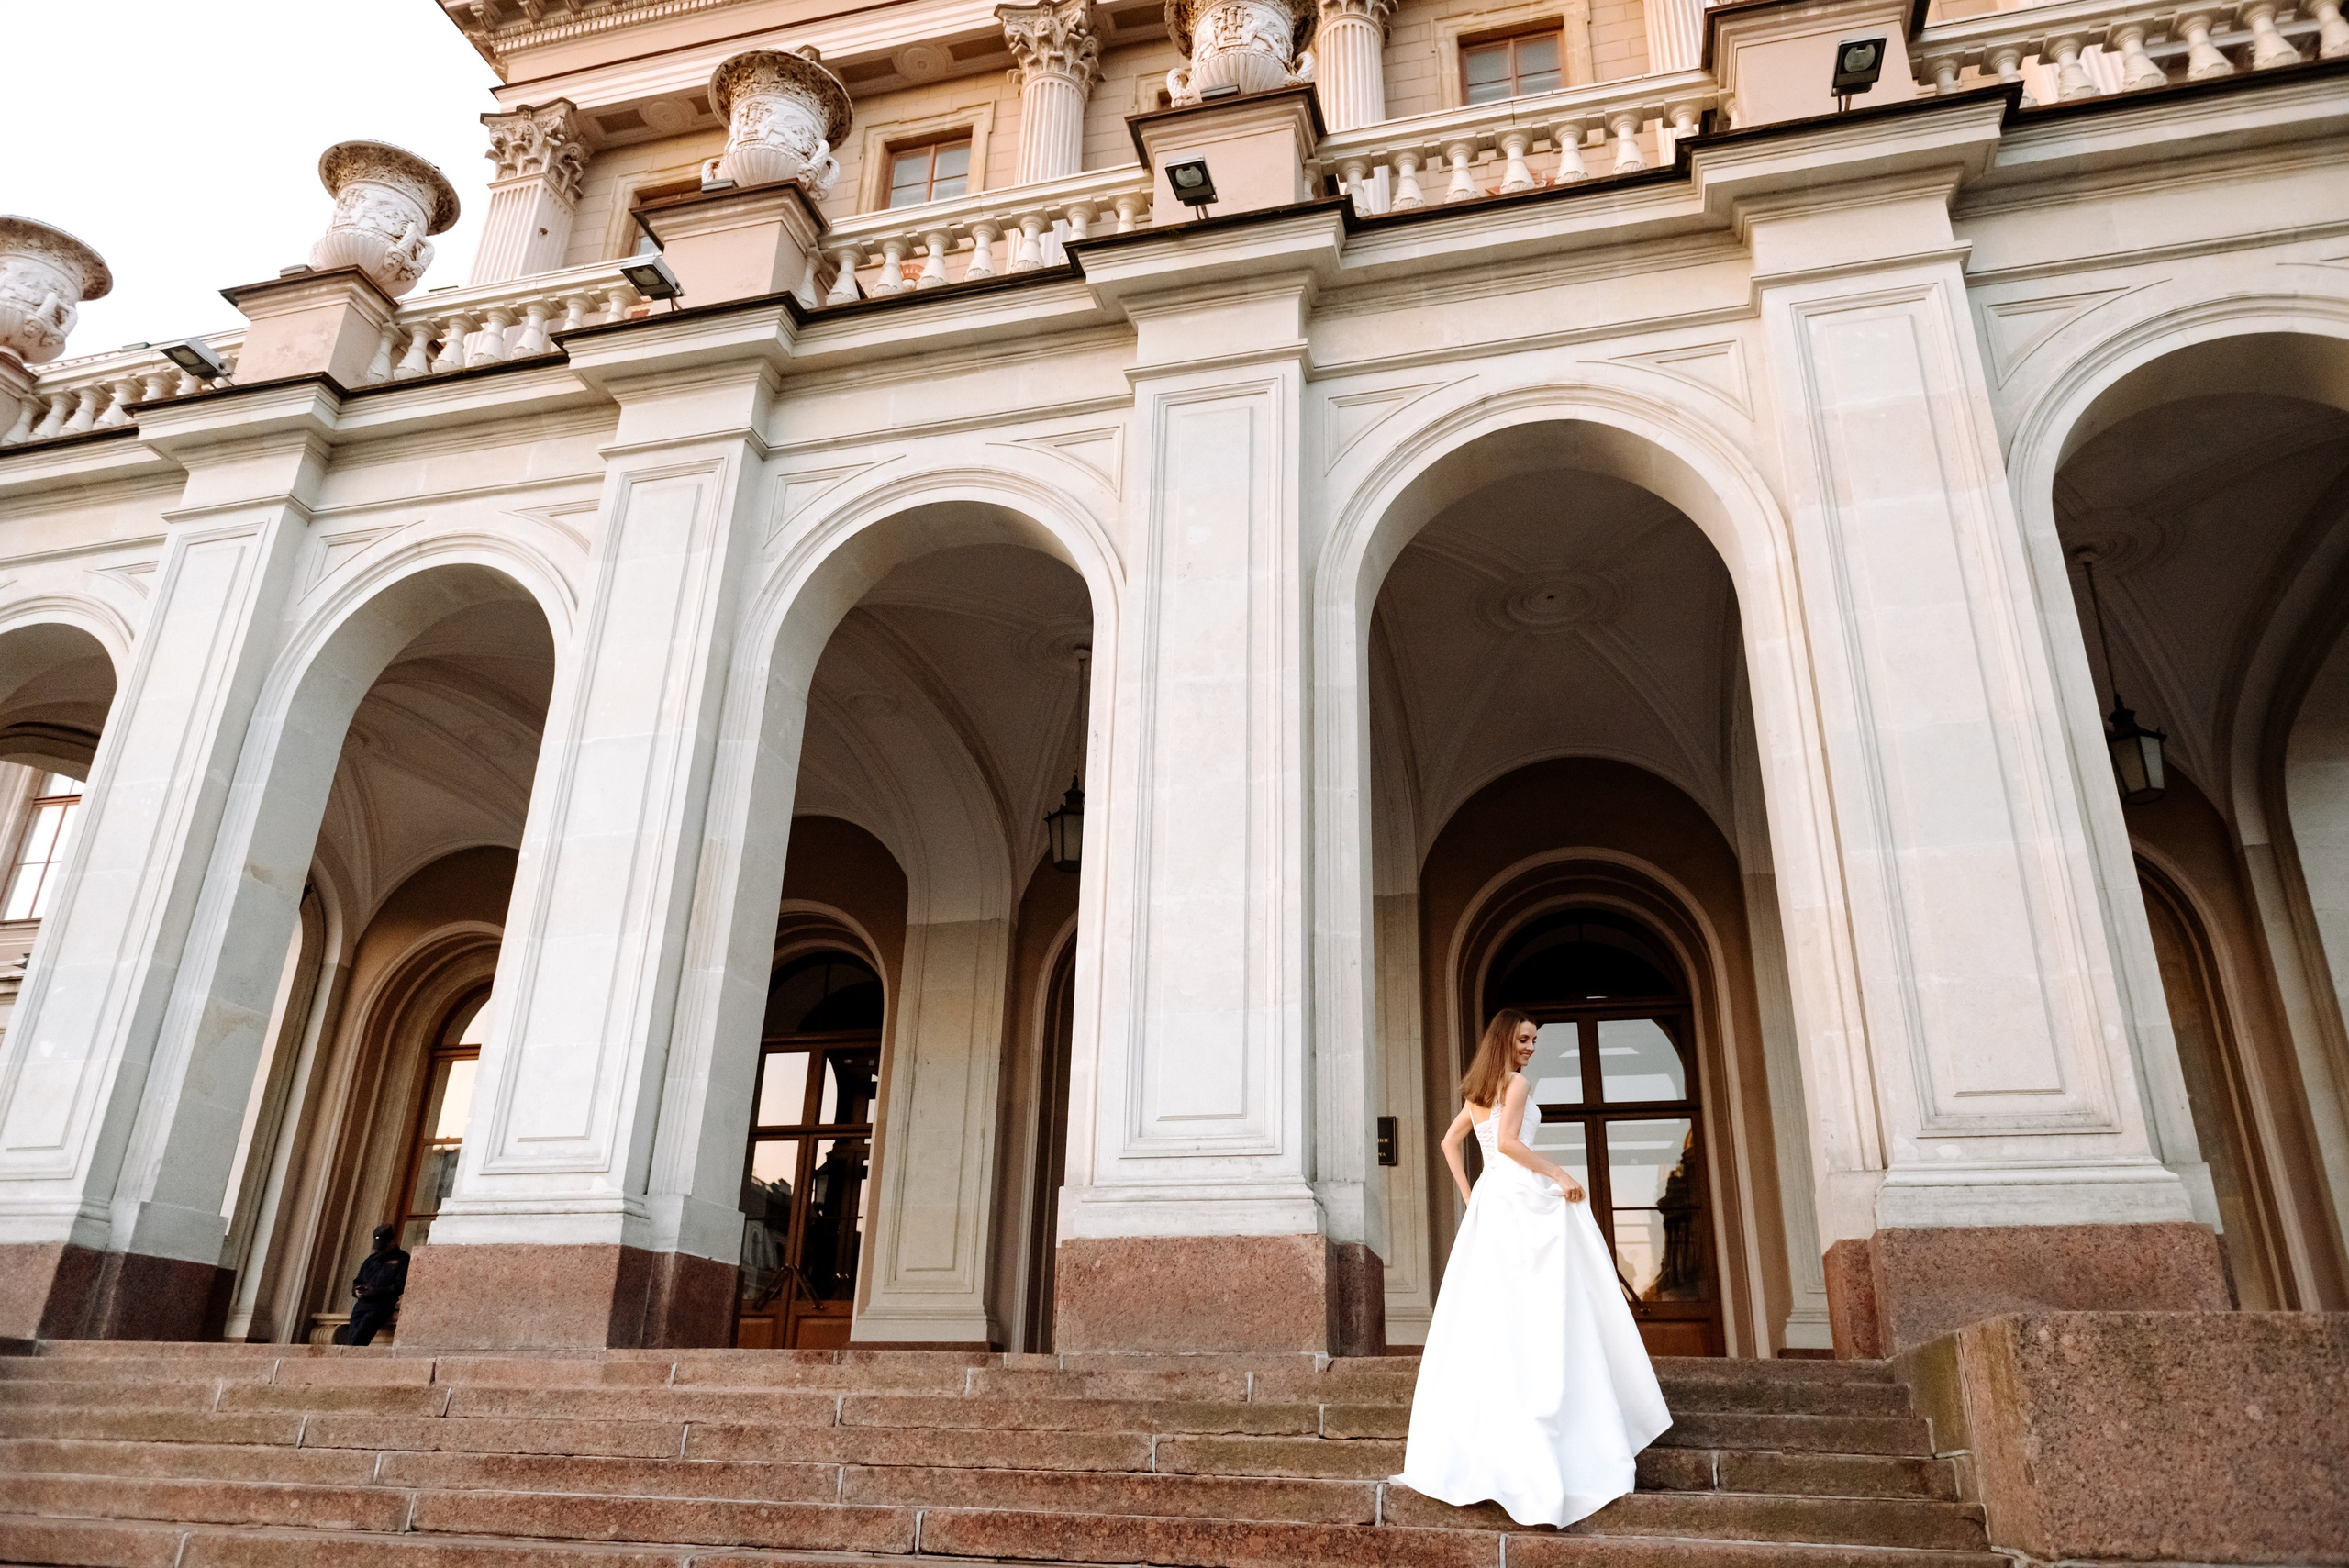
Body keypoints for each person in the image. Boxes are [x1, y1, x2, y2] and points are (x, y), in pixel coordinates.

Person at [1392, 1008, 1672, 1528]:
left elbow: (1450, 1144)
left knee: (1497, 1310)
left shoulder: (1479, 1091)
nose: (1531, 1047)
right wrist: (1557, 1170)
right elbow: (1511, 1144)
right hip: (1516, 1193)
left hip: (1492, 1200)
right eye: (1524, 1038)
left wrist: (1471, 1193)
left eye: (1535, 1040)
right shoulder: (1515, 1083)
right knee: (1542, 1301)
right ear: (1505, 1040)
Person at [340, 1224, 409, 1346]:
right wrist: (357, 1291)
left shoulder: (403, 1259)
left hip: (380, 1306)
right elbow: (358, 1280)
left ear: (391, 1242)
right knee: (351, 1338)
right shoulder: (370, 1261)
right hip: (361, 1305)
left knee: (358, 1339)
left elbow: (399, 1286)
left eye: (383, 1247)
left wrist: (376, 1292)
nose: (380, 1251)